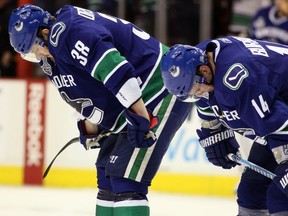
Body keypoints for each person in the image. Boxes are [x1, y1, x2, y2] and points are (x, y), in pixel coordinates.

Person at [8, 4, 193, 216]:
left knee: (126, 180)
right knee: (106, 176)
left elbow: (117, 71)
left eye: (34, 49)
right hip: (130, 101)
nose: (37, 56)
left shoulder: (71, 31)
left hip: (158, 89)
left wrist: (141, 118)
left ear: (45, 33)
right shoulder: (53, 53)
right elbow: (88, 89)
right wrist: (92, 127)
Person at [161, 37, 288, 215]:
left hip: (282, 123)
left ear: (204, 71)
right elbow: (205, 99)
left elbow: (279, 124)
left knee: (280, 197)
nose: (198, 95)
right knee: (251, 190)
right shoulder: (198, 58)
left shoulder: (239, 80)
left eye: (197, 90)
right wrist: (213, 129)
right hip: (279, 112)